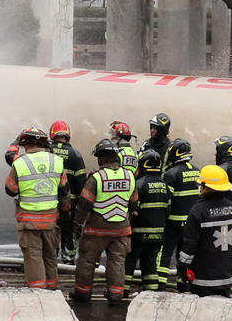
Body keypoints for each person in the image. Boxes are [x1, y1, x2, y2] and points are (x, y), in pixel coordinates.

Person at [72, 137, 136, 303]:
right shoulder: (129, 176)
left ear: (100, 158)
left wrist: (77, 224)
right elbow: (134, 204)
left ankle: (83, 293)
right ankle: (115, 294)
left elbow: (84, 205)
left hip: (96, 231)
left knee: (87, 260)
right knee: (117, 262)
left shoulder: (96, 178)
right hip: (121, 230)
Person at [5, 125, 68, 290]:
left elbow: (10, 190)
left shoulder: (19, 163)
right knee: (50, 257)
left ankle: (38, 294)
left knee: (33, 258)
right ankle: (52, 292)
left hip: (29, 222)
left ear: (25, 144)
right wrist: (66, 212)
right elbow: (64, 192)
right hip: (51, 222)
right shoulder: (57, 161)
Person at [178, 163, 232, 298]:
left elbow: (190, 244)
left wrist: (183, 268)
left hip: (203, 279)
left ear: (205, 186)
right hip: (227, 277)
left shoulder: (198, 211)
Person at [129, 147, 173, 290]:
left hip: (138, 235)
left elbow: (133, 210)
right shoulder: (165, 185)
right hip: (158, 235)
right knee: (150, 265)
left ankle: (122, 291)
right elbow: (168, 210)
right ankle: (152, 291)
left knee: (129, 263)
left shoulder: (139, 185)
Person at [160, 138, 199, 286]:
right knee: (184, 256)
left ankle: (160, 284)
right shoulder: (197, 171)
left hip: (173, 223)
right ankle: (183, 283)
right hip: (191, 225)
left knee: (165, 254)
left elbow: (165, 201)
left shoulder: (171, 174)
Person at [51, 121, 88, 265]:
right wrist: (80, 205)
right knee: (69, 231)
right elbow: (81, 182)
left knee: (52, 230)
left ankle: (50, 260)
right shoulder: (75, 155)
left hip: (50, 200)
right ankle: (69, 260)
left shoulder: (48, 152)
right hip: (70, 202)